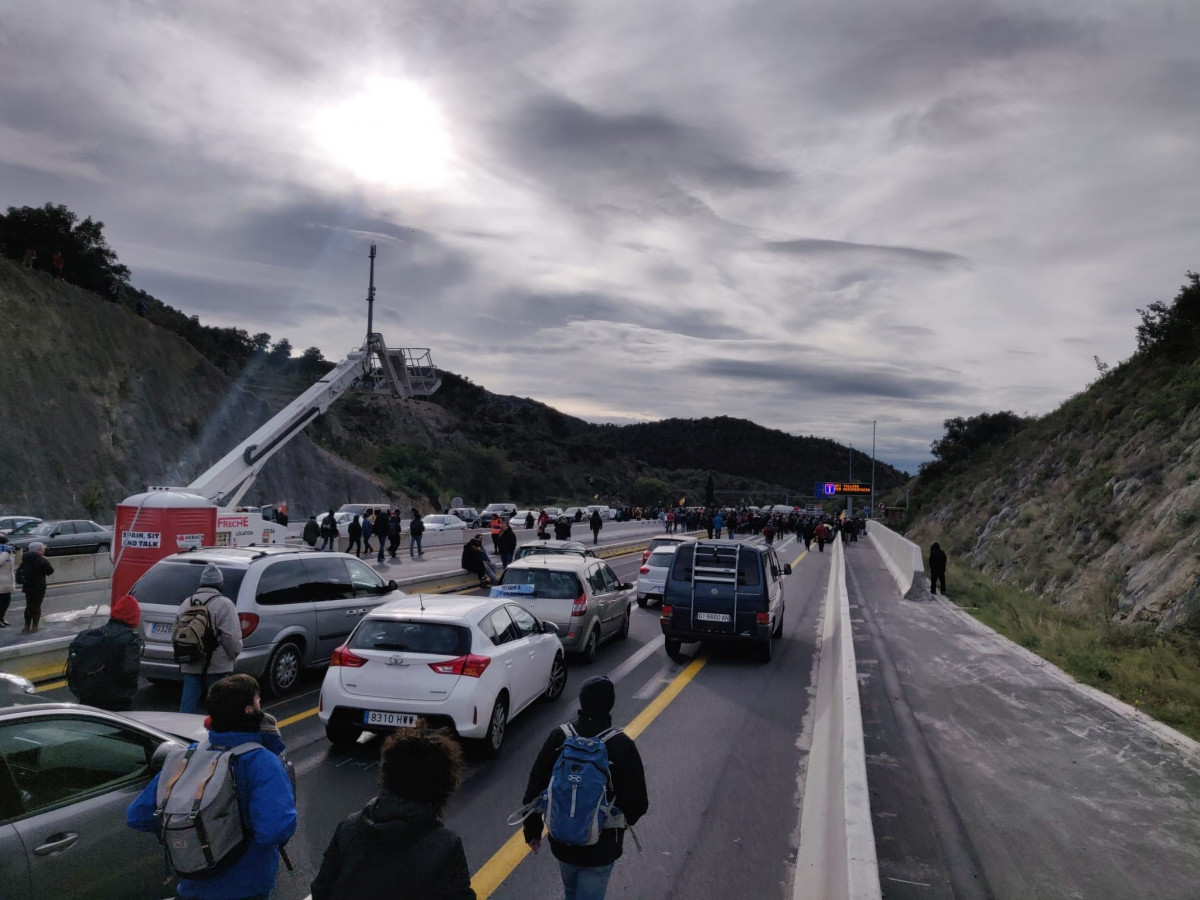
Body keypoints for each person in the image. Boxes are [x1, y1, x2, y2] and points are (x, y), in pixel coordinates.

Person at [128, 674, 297, 900]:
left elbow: (137, 815)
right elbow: (274, 829)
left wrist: (192, 835)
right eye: (258, 700)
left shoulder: (190, 756)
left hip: (192, 887)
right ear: (250, 711)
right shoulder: (262, 761)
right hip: (245, 888)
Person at [311, 724, 476, 900]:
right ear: (443, 786)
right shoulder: (445, 847)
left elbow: (321, 890)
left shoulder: (348, 828)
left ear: (387, 774)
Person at [522, 676, 648, 900]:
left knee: (570, 892)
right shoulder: (621, 745)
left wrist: (531, 829)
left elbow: (536, 783)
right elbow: (638, 803)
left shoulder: (560, 736)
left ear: (581, 702)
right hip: (601, 849)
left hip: (563, 842)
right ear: (610, 704)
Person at [178, 562, 243, 714]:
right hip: (217, 664)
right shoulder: (225, 604)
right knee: (219, 706)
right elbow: (231, 637)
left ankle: (181, 732)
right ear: (219, 583)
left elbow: (177, 630)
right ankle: (216, 734)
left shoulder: (187, 603)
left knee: (188, 704)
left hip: (190, 661)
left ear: (201, 583)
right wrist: (233, 655)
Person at [67, 593, 141, 710]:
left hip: (87, 695)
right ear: (133, 617)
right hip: (116, 699)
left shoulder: (93, 635)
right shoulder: (130, 639)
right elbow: (130, 670)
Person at [15, 541, 53, 633]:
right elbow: (50, 571)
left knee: (29, 605)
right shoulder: (42, 560)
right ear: (38, 550)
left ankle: (26, 625)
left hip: (28, 585)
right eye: (42, 549)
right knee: (37, 606)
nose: (44, 550)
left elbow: (20, 571)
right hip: (39, 585)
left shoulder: (25, 559)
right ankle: (35, 626)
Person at [0, 535, 13, 627]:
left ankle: (1, 618)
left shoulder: (7, 552)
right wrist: (5, 552)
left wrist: (18, 551)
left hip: (7, 581)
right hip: (0, 582)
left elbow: (17, 561)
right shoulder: (4, 552)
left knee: (6, 602)